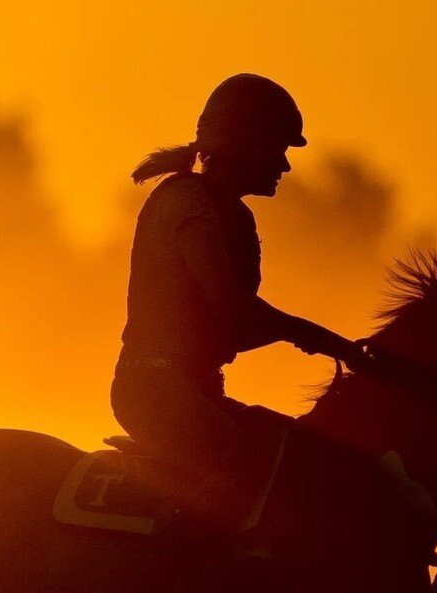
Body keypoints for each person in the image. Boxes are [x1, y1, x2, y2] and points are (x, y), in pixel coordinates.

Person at [116, 73, 364, 530]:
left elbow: (231, 330)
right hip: (153, 393)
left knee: (297, 457)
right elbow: (233, 309)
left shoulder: (237, 217)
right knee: (244, 479)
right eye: (278, 149)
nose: (284, 166)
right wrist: (326, 341)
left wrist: (320, 341)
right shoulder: (185, 201)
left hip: (197, 392)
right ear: (244, 144)